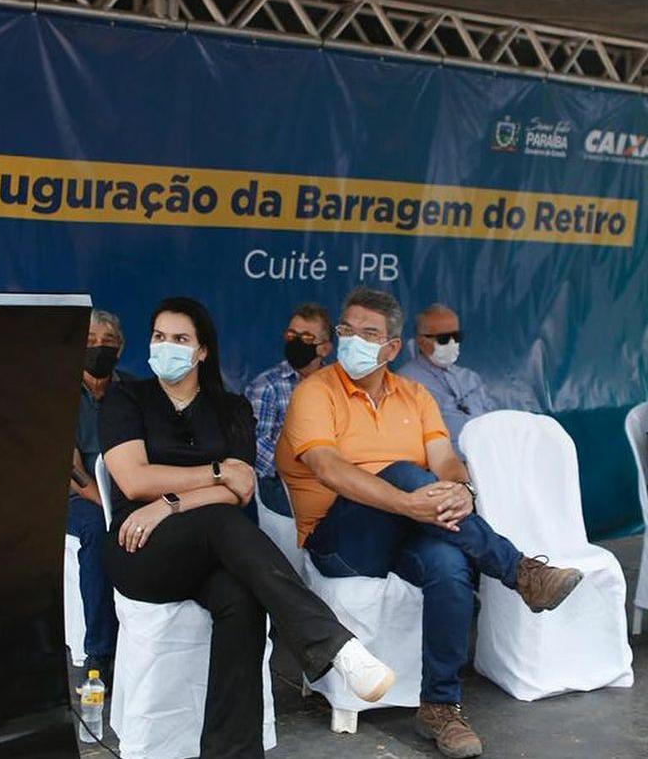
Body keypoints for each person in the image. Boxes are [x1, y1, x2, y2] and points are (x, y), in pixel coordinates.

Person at [278, 287, 583, 759]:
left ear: (391, 348)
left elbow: (445, 461)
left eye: (369, 333)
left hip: (406, 530)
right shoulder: (315, 392)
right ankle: (520, 570)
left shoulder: (415, 395)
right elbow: (329, 469)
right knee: (404, 472)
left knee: (448, 564)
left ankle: (440, 707)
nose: (353, 340)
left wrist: (463, 490)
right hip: (339, 542)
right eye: (347, 330)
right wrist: (407, 502)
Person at [99, 296, 396, 759]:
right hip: (140, 548)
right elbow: (135, 480)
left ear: (202, 351)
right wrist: (214, 474)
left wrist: (169, 503)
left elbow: (240, 489)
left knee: (241, 598)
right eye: (159, 337)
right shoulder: (126, 398)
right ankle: (332, 644)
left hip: (204, 548)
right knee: (220, 520)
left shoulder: (231, 408)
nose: (166, 346)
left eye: (180, 339)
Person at [67, 308, 126, 681]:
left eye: (108, 341)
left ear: (120, 349)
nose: (99, 348)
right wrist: (110, 507)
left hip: (129, 492)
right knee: (100, 532)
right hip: (81, 500)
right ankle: (100, 651)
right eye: (89, 341)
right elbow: (73, 474)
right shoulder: (59, 393)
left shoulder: (133, 391)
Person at [244, 302, 333, 515]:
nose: (297, 342)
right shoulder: (267, 385)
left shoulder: (338, 386)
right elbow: (255, 444)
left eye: (307, 338)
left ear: (325, 348)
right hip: (281, 484)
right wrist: (301, 469)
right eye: (292, 335)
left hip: (334, 480)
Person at [398, 303, 498, 459]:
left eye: (457, 337)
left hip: (488, 457)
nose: (452, 344)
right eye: (443, 339)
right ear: (421, 341)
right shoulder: (405, 381)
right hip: (444, 464)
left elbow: (493, 419)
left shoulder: (470, 378)